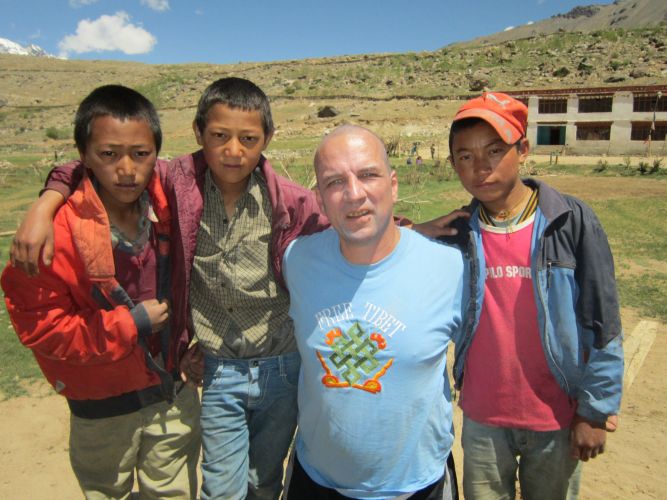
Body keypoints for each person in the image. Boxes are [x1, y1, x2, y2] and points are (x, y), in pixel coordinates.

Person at [10, 77, 330, 500]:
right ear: (198, 133)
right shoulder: (178, 183)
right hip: (217, 368)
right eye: (219, 136)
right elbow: (90, 161)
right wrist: (46, 203)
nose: (233, 150)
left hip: (282, 364)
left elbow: (339, 232)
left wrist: (398, 232)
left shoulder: (290, 200)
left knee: (263, 480)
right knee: (220, 486)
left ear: (267, 138)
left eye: (248, 139)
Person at [1, 85, 201, 499]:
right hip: (102, 407)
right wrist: (130, 324)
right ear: (85, 156)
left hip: (173, 393)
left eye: (140, 154)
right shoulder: (50, 238)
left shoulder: (171, 205)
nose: (126, 169)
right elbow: (42, 328)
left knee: (175, 492)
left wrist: (194, 341)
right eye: (108, 154)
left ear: (156, 154)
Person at [445, 92, 624, 499]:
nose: (480, 166)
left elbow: (603, 320)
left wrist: (596, 410)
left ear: (522, 149)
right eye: (465, 156)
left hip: (556, 416)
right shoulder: (459, 232)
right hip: (482, 417)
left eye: (494, 150)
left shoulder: (570, 222)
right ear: (453, 163)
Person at [282, 125, 465, 499]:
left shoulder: (449, 269)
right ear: (320, 199)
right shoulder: (297, 260)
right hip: (316, 482)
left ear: (393, 186)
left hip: (417, 486)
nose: (354, 194)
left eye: (368, 175)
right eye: (335, 182)